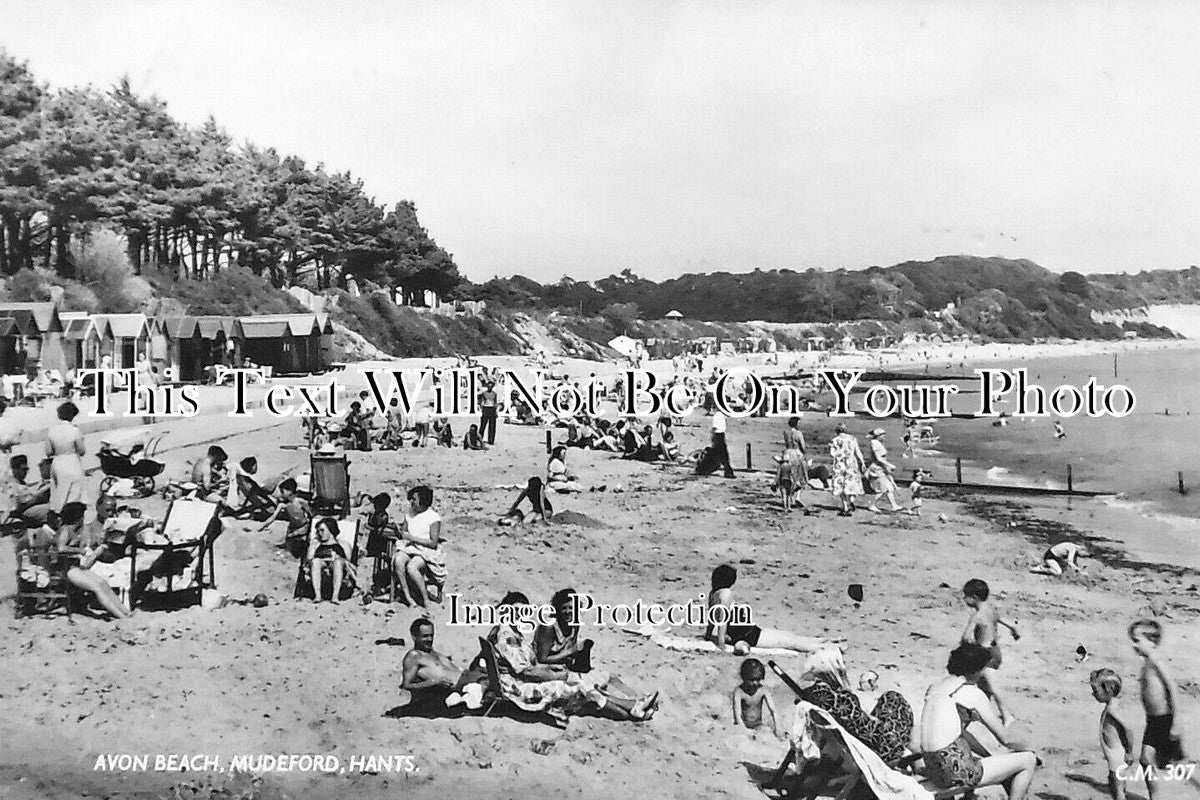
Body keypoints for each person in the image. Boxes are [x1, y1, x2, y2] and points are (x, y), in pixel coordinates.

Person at [919, 643, 1038, 799]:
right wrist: (1032, 749)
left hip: (934, 768)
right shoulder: (972, 693)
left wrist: (987, 755)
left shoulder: (935, 687)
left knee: (999, 764)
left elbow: (959, 734)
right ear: (976, 670)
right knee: (1028, 760)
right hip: (956, 771)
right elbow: (1006, 739)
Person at [1129, 619, 1200, 795]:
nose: (1133, 645)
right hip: (1153, 720)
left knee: (1177, 765)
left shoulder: (1156, 662)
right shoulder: (1147, 663)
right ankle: (1155, 796)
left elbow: (1172, 688)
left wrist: (1176, 719)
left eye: (1137, 640)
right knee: (1147, 760)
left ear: (1152, 641)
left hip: (1165, 720)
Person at [705, 564, 840, 654]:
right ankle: (829, 648)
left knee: (789, 636)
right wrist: (721, 643)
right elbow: (722, 620)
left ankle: (827, 641)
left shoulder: (713, 594)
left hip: (748, 632)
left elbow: (712, 618)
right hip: (749, 635)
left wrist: (708, 635)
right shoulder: (726, 594)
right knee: (789, 642)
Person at [961, 578, 1020, 723]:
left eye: (966, 596)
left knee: (992, 686)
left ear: (974, 598)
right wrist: (1013, 629)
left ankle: (1006, 715)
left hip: (984, 654)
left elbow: (966, 637)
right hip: (995, 651)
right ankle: (978, 714)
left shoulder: (977, 616)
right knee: (984, 686)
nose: (963, 599)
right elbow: (1000, 619)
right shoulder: (989, 608)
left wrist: (966, 649)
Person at [402, 618, 485, 708]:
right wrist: (433, 682)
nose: (430, 639)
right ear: (414, 636)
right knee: (490, 682)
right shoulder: (414, 655)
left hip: (467, 675)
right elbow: (406, 685)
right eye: (425, 636)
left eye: (431, 635)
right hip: (461, 684)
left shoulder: (433, 653)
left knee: (491, 674)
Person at [391, 485, 446, 608]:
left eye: (414, 499)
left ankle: (425, 598)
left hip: (425, 550)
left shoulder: (433, 517)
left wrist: (412, 538)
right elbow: (403, 534)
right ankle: (408, 596)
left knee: (412, 567)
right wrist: (397, 531)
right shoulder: (409, 514)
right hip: (409, 547)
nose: (411, 502)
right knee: (398, 560)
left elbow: (433, 543)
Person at [1090, 668, 1134, 800]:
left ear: (1108, 691)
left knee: (1118, 791)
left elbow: (1128, 729)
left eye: (1096, 691)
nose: (1093, 694)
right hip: (1113, 755)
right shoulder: (1112, 707)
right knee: (1115, 786)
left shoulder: (1112, 710)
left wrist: (1129, 752)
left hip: (1117, 757)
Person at [534, 588, 595, 674]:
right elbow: (541, 659)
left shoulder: (574, 624)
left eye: (571, 608)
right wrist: (569, 652)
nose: (567, 612)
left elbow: (570, 650)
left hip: (562, 664)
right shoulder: (548, 627)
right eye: (563, 608)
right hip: (542, 666)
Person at [45, 401, 86, 514]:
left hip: (58, 462)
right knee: (74, 493)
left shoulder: (51, 430)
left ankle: (58, 515)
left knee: (59, 493)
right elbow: (82, 451)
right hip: (72, 461)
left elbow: (48, 451)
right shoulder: (75, 430)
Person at [732, 658, 780, 736]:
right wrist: (746, 731)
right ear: (744, 677)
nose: (755, 683)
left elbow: (773, 710)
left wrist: (778, 728)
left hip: (758, 725)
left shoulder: (763, 690)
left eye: (758, 680)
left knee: (767, 730)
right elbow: (737, 715)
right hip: (742, 725)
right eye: (751, 680)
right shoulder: (739, 691)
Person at [306, 516, 347, 604]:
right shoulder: (316, 544)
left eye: (322, 530)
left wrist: (336, 558)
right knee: (316, 561)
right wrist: (312, 546)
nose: (319, 533)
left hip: (337, 564)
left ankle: (335, 597)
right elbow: (309, 560)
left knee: (338, 562)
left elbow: (349, 561)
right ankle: (317, 596)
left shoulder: (343, 543)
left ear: (330, 529)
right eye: (318, 531)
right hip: (321, 564)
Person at [256, 478, 311, 543]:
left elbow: (310, 514)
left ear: (290, 491)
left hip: (303, 527)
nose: (281, 494)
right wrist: (264, 525)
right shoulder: (282, 505)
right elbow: (273, 517)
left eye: (282, 492)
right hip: (292, 529)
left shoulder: (300, 502)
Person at [829, 423, 866, 516]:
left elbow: (832, 454)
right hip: (851, 463)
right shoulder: (852, 439)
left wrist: (836, 451)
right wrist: (862, 462)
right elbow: (858, 452)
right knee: (852, 482)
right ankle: (852, 500)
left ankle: (846, 507)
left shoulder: (835, 440)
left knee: (841, 484)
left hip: (840, 464)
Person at [864, 428, 903, 513]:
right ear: (878, 436)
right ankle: (872, 505)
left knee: (889, 488)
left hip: (881, 468)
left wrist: (886, 467)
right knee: (882, 490)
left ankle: (894, 506)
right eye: (882, 435)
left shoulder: (878, 443)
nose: (884, 436)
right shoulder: (875, 443)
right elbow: (879, 458)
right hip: (876, 469)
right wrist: (889, 465)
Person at [710, 410, 736, 479]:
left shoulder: (717, 415)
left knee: (720, 453)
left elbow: (714, 428)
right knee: (723, 454)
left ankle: (727, 470)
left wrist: (712, 436)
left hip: (718, 435)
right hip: (721, 435)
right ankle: (728, 471)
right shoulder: (721, 415)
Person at [479, 381, 499, 445]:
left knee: (492, 426)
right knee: (483, 425)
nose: (489, 387)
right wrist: (481, 407)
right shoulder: (484, 393)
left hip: (492, 409)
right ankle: (480, 439)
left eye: (491, 386)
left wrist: (496, 411)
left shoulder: (494, 394)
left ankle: (491, 441)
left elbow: (495, 403)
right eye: (488, 386)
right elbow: (481, 401)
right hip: (485, 408)